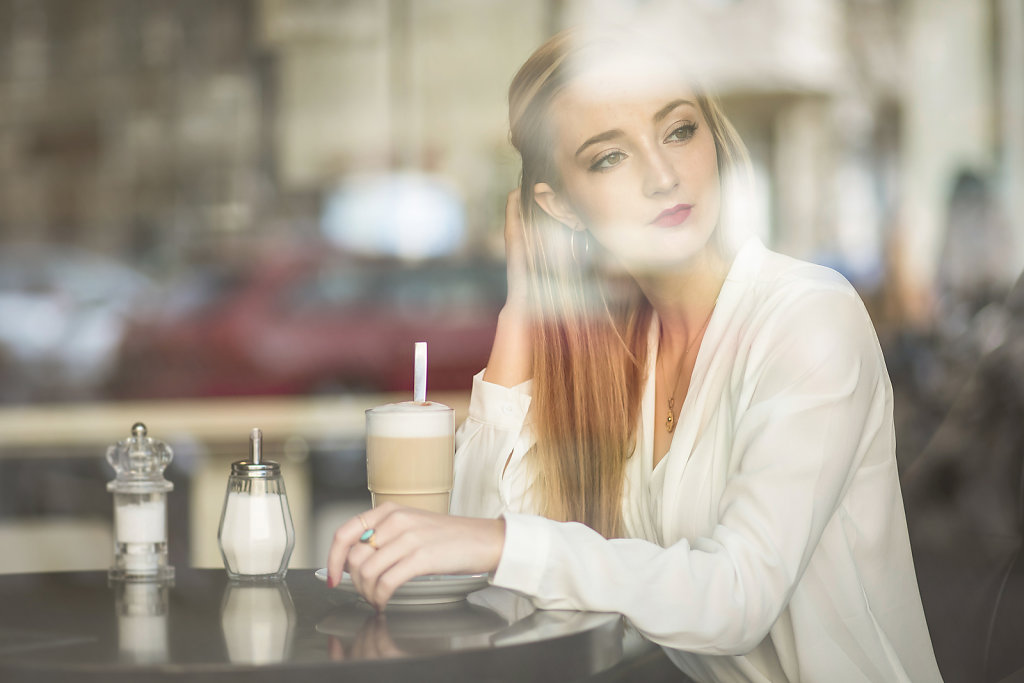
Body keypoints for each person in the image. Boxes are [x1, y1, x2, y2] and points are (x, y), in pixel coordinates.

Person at [328, 26, 942, 682]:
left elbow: (737, 597)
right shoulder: (621, 360)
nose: (663, 175)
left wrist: (503, 543)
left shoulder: (809, 316)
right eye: (609, 158)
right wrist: (520, 313)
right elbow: (486, 576)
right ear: (559, 203)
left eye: (679, 130)